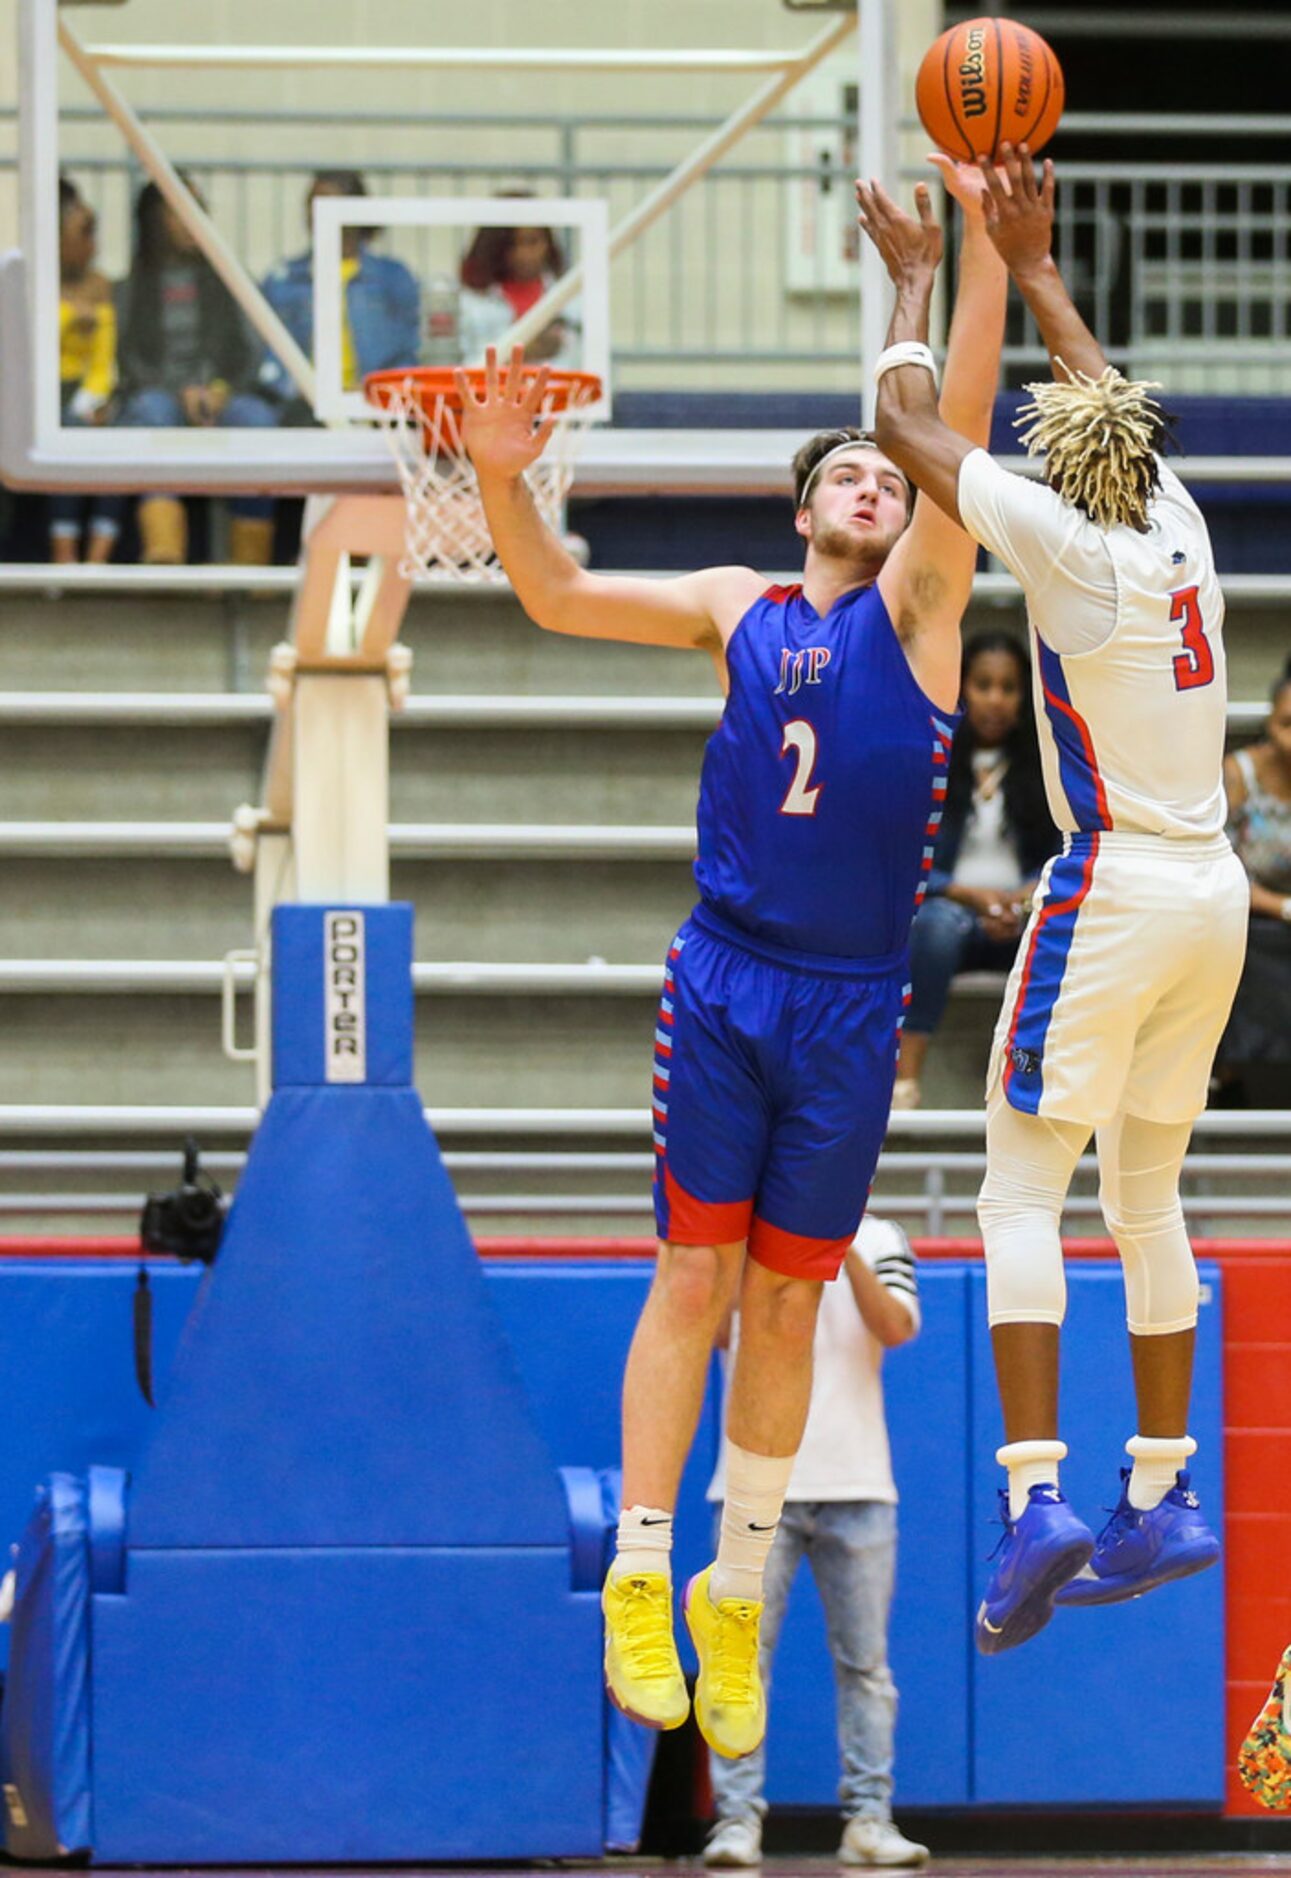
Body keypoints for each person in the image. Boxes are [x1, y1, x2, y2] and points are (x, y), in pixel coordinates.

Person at [455, 157, 1006, 1761]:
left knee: (782, 1308)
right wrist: (501, 475)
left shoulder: (917, 610)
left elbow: (946, 420)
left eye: (884, 473)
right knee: (689, 1277)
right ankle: (642, 1567)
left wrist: (965, 265)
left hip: (847, 1006)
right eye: (843, 468)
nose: (868, 480)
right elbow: (551, 594)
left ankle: (733, 1585)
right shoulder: (731, 600)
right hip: (724, 977)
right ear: (799, 505)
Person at [855, 145, 1248, 1656]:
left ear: (1054, 461)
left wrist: (914, 274)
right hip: (1212, 887)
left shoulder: (1066, 543)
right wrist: (1027, 268)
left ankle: (1035, 1500)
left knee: (1016, 1188)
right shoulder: (1181, 526)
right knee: (1142, 1197)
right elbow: (1107, 405)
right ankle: (1162, 1488)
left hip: (1116, 886)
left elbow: (900, 427)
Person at [703, 1216, 926, 1871]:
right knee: (739, 1663)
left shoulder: (881, 1237)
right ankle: (735, 1821)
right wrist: (754, 1246)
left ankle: (868, 1818)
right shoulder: (736, 1233)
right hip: (750, 1486)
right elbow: (709, 1332)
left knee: (865, 1665)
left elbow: (895, 1326)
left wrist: (842, 1246)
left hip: (856, 1482)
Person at [893, 631, 1057, 1109]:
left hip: (1024, 909)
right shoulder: (934, 760)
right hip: (953, 912)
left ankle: (1030, 1077)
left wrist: (1024, 896)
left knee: (1055, 935)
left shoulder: (1044, 768)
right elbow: (913, 860)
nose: (995, 700)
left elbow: (1061, 855)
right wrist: (973, 896)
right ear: (961, 687)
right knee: (935, 926)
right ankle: (906, 1079)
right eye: (983, 685)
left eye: (1008, 688)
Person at [117, 178, 277, 565]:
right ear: (156, 220)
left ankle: (250, 566)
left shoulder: (229, 279)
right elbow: (128, 360)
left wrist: (220, 388)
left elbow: (251, 350)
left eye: (197, 208)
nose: (191, 221)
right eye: (178, 211)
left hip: (224, 394)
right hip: (161, 396)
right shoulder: (131, 288)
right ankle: (164, 551)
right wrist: (179, 393)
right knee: (152, 412)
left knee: (256, 419)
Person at [259, 170, 421, 420]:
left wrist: (379, 390)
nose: (315, 212)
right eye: (310, 203)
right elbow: (267, 350)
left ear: (354, 209)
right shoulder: (283, 279)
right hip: (303, 403)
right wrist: (300, 389)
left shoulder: (392, 277)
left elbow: (411, 347)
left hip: (376, 401)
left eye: (325, 202)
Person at [1216, 657, 1291, 1104]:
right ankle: (1245, 1075)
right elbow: (1219, 864)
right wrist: (1281, 907)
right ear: (1270, 720)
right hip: (1245, 913)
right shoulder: (1236, 774)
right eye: (1287, 723)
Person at [51, 178, 124, 564]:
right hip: (40, 391)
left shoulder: (100, 286)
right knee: (63, 434)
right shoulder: (29, 282)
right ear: (57, 238)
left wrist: (93, 399)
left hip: (84, 392)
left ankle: (97, 561)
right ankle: (64, 555)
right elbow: (27, 349)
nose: (93, 245)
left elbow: (103, 358)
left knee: (113, 436)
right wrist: (66, 315)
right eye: (84, 234)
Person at [458, 196, 578, 366]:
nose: (523, 253)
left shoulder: (572, 300)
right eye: (512, 244)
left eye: (532, 241)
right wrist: (519, 354)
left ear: (548, 243)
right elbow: (457, 369)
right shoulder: (469, 303)